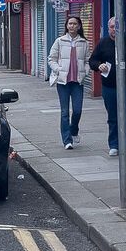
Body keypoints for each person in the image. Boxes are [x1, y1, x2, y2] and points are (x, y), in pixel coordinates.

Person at [88, 16, 126, 158]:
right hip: (109, 87)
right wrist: (98, 65)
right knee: (113, 116)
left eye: (117, 27)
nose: (115, 30)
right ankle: (114, 145)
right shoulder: (103, 43)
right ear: (108, 28)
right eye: (112, 27)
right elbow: (92, 60)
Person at [46, 15, 91, 150]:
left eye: (75, 24)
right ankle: (67, 140)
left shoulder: (84, 42)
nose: (72, 26)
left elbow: (88, 60)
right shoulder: (60, 41)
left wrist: (85, 71)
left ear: (79, 26)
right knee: (64, 112)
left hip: (77, 82)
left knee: (77, 110)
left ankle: (74, 130)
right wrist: (57, 69)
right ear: (66, 26)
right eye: (70, 24)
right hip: (63, 82)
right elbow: (51, 59)